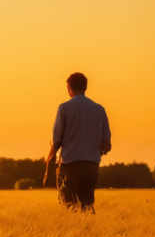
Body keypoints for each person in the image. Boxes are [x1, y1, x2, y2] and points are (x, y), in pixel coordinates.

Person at [45, 71, 112, 212]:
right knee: (87, 204)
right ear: (85, 87)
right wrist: (93, 151)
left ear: (69, 88)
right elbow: (107, 145)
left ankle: (73, 231)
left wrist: (49, 159)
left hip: (70, 164)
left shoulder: (64, 108)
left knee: (69, 205)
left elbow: (57, 139)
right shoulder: (99, 110)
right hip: (91, 165)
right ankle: (89, 231)